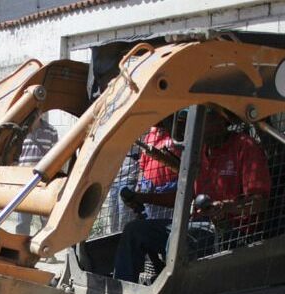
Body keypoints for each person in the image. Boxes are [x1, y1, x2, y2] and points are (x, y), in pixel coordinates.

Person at [113, 107, 270, 282]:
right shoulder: (200, 152)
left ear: (221, 120)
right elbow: (184, 196)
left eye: (205, 121)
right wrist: (143, 198)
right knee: (135, 231)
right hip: (198, 225)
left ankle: (175, 289)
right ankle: (124, 289)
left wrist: (224, 207)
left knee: (179, 239)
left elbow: (259, 203)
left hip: (232, 232)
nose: (197, 129)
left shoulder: (245, 147)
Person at [15, 116, 59, 233]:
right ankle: (20, 250)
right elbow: (14, 157)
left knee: (46, 222)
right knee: (22, 223)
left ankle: (43, 249)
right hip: (24, 183)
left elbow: (57, 157)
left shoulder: (51, 131)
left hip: (44, 183)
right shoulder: (20, 131)